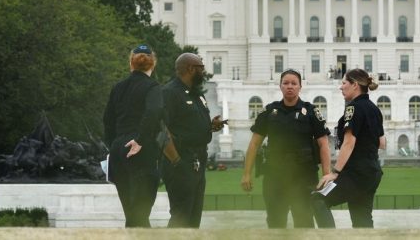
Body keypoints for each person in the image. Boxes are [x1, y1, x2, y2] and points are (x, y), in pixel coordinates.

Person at [241, 69, 332, 228]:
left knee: (304, 221)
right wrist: (246, 174)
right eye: (286, 83)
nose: (290, 86)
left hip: (304, 177)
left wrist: (326, 175)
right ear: (280, 86)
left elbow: (323, 144)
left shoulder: (310, 111)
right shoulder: (270, 111)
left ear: (300, 87)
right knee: (275, 221)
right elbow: (254, 143)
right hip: (275, 176)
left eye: (294, 83)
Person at [312, 68, 385, 228]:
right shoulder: (375, 109)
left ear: (355, 85)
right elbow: (382, 143)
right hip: (372, 173)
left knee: (318, 200)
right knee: (362, 221)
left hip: (355, 173)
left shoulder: (353, 108)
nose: (341, 87)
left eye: (344, 83)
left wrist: (334, 172)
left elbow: (349, 142)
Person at [160, 53, 226, 228]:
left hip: (197, 160)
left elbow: (189, 125)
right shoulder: (170, 93)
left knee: (193, 217)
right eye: (201, 68)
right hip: (180, 160)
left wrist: (210, 126)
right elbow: (161, 129)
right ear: (190, 69)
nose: (203, 72)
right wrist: (176, 161)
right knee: (181, 216)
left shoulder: (196, 94)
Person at [102, 44, 163, 228]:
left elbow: (107, 120)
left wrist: (115, 144)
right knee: (140, 213)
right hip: (140, 150)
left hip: (119, 149)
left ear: (131, 64)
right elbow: (154, 112)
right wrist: (140, 140)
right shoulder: (153, 87)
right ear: (152, 65)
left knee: (131, 213)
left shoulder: (118, 87)